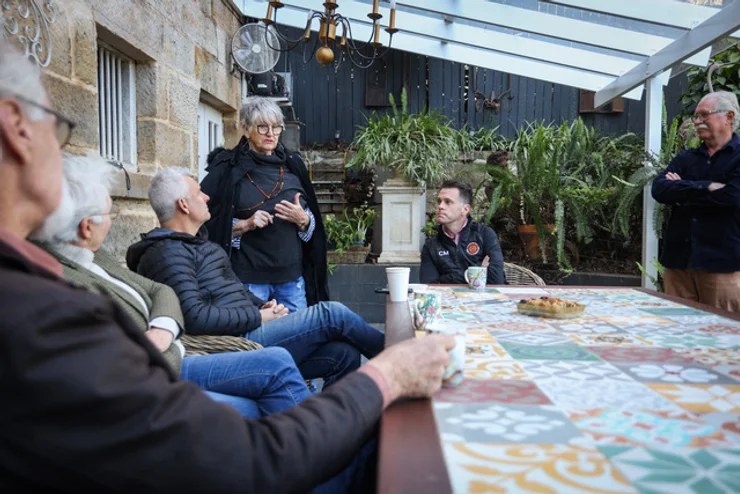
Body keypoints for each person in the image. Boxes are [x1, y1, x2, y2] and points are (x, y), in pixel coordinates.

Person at [0, 38, 455, 492]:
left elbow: (163, 294)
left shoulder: (82, 268)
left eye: (277, 127)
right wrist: (386, 376)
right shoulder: (39, 309)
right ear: (17, 128)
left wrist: (303, 222)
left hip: (271, 290)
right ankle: (393, 367)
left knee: (335, 352)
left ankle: (360, 416)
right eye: (56, 127)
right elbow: (236, 453)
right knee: (311, 336)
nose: (206, 198)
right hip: (229, 331)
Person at [37, 154, 311, 418]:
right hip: (163, 372)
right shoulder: (64, 280)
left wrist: (163, 328)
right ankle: (323, 450)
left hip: (180, 351)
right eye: (111, 213)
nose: (112, 220)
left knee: (331, 352)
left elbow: (161, 291)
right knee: (291, 352)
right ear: (86, 227)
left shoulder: (97, 255)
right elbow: (188, 315)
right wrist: (256, 315)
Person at [127, 166, 385, 388]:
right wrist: (258, 316)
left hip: (251, 326)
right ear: (183, 205)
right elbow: (193, 316)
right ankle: (398, 358)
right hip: (235, 341)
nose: (206, 197)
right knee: (331, 314)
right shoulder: (167, 253)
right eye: (198, 194)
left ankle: (335, 425)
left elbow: (232, 290)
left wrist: (261, 304)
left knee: (344, 354)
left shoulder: (198, 244)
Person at [201, 96, 327, 312]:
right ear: (245, 128)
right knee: (254, 340)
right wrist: (242, 225)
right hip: (248, 281)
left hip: (292, 280)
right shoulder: (226, 169)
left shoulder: (293, 165)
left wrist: (304, 220)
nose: (271, 133)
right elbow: (202, 222)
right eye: (262, 127)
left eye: (276, 127)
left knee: (303, 338)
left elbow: (312, 223)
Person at [651, 91, 740, 311]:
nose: (697, 122)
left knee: (723, 334)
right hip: (678, 263)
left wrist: (681, 190)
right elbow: (660, 189)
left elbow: (732, 197)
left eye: (704, 115)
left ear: (729, 117)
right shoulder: (686, 158)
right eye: (696, 116)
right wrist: (705, 186)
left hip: (722, 264)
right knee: (677, 330)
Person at [420, 180, 506, 285]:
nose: (440, 206)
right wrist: (478, 270)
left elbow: (496, 280)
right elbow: (430, 287)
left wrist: (446, 278)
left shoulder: (485, 235)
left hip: (486, 299)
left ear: (465, 209)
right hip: (449, 301)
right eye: (439, 201)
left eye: (448, 202)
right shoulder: (431, 246)